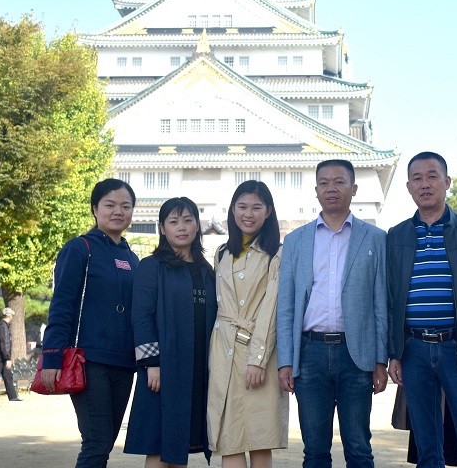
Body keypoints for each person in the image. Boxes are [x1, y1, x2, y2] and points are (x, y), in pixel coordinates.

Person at [386, 151, 457, 468]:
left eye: (432, 176)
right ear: (409, 187)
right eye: (417, 178)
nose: (425, 184)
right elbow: (390, 298)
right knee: (427, 448)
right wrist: (394, 353)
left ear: (447, 182)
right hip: (414, 351)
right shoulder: (396, 236)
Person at [277, 159, 388, 468]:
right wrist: (286, 360)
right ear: (316, 190)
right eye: (324, 183)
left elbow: (381, 303)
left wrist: (381, 360)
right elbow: (286, 305)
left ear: (354, 188)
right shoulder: (296, 240)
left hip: (357, 355)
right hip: (309, 353)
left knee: (359, 447)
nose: (331, 188)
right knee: (314, 450)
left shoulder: (375, 238)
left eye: (339, 182)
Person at [40, 178, 139, 468]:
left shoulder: (133, 258)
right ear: (95, 209)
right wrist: (52, 357)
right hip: (88, 361)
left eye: (125, 206)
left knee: (105, 443)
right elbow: (62, 305)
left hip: (124, 363)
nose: (118, 211)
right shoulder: (80, 248)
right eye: (110, 205)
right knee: (96, 442)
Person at [125, 197, 218, 467]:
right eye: (174, 221)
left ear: (198, 226)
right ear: (162, 228)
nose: (182, 227)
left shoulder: (207, 271)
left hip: (197, 368)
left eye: (188, 220)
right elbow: (141, 317)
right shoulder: (151, 266)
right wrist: (151, 363)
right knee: (159, 443)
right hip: (164, 367)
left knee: (182, 442)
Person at [208, 181, 287, 468]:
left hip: (258, 349)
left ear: (268, 211)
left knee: (258, 438)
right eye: (242, 206)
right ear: (232, 210)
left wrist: (258, 360)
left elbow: (271, 310)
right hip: (222, 350)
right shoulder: (221, 252)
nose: (248, 214)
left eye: (256, 207)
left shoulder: (277, 253)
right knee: (228, 437)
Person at [0, 307, 21, 401]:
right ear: (8, 315)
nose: (12, 316)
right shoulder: (3, 326)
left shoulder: (3, 326)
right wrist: (7, 358)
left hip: (2, 356)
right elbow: (4, 343)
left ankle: (13, 397)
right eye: (11, 314)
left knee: (8, 376)